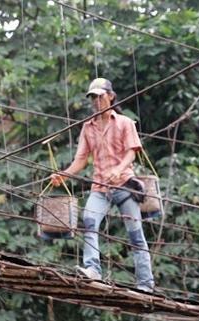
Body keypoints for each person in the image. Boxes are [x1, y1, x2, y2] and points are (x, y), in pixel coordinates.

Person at [50, 77, 155, 292]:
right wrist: (64, 175)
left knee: (135, 234)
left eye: (99, 97)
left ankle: (145, 283)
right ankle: (92, 269)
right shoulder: (87, 127)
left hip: (125, 185)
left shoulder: (125, 123)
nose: (96, 101)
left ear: (110, 96)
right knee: (89, 220)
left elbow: (132, 152)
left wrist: (118, 169)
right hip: (100, 187)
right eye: (92, 98)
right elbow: (81, 160)